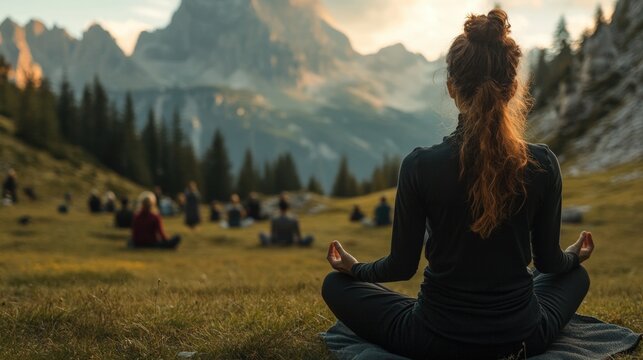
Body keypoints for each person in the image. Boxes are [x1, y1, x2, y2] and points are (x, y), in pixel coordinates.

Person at [321, 9, 595, 360]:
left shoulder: (420, 165)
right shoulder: (542, 163)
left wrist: (354, 268)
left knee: (335, 285)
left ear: (452, 88)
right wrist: (573, 256)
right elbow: (550, 264)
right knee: (577, 278)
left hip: (434, 339)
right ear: (512, 89)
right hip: (523, 337)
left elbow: (401, 267)